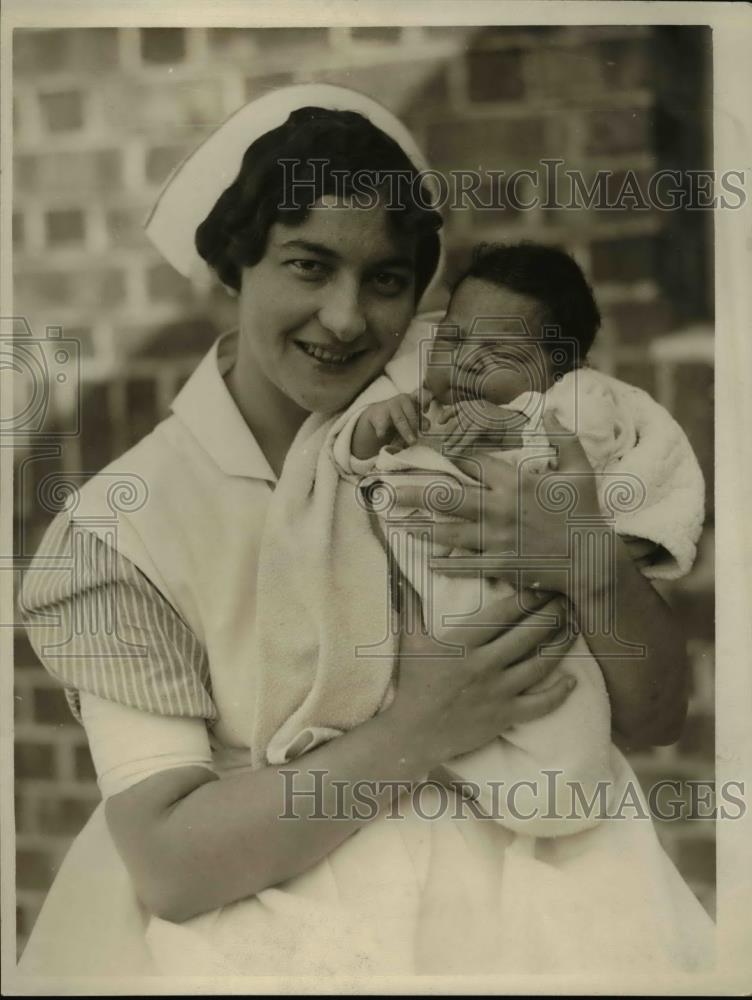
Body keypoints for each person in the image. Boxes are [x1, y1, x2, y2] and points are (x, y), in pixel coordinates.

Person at [17, 84, 692, 980]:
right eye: (306, 265)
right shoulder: (125, 524)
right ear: (233, 266)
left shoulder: (473, 406)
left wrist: (590, 563)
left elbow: (654, 719)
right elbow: (171, 864)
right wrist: (419, 727)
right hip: (277, 922)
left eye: (385, 280)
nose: (345, 319)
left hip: (549, 894)